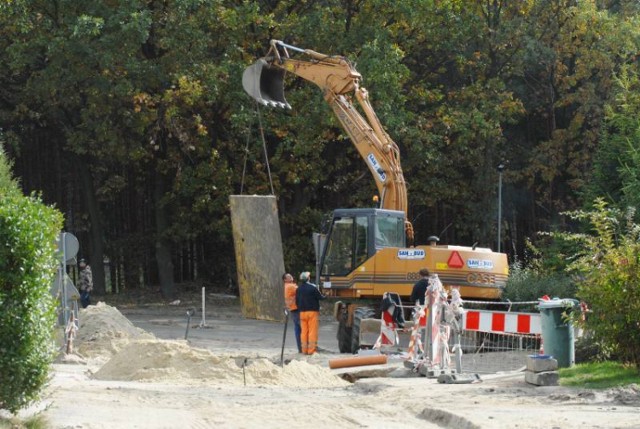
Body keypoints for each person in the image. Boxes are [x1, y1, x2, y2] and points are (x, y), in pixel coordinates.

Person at [295, 271, 326, 355]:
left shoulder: (298, 289)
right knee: (312, 331)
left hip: (302, 313)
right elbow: (320, 297)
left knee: (304, 331)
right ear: (308, 278)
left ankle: (304, 350)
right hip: (312, 312)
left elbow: (296, 301)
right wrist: (326, 295)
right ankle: (311, 351)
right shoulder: (313, 287)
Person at [283, 273, 302, 353]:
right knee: (301, 328)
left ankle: (300, 348)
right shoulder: (291, 286)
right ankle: (302, 347)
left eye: (291, 275)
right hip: (296, 308)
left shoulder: (287, 286)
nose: (291, 277)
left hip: (293, 308)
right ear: (285, 280)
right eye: (289, 276)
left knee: (297, 328)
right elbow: (302, 290)